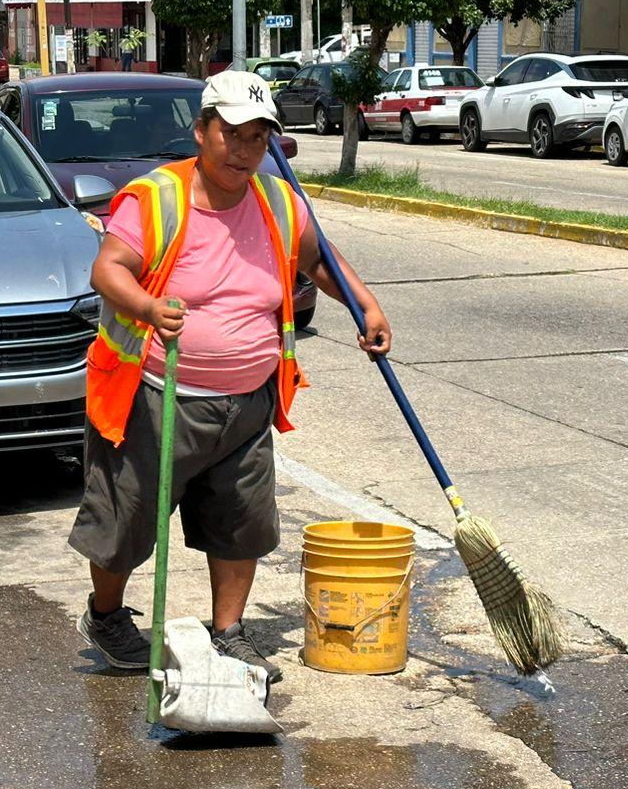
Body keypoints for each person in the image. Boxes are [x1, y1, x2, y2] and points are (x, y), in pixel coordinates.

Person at [70, 69, 391, 682]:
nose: (245, 150)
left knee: (240, 522)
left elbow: (319, 261)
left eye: (258, 137)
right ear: (202, 131)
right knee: (125, 523)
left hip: (247, 400)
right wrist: (147, 307)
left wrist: (365, 305)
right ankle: (105, 617)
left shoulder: (279, 201)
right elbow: (107, 269)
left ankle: (229, 631)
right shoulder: (156, 198)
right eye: (232, 134)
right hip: (156, 395)